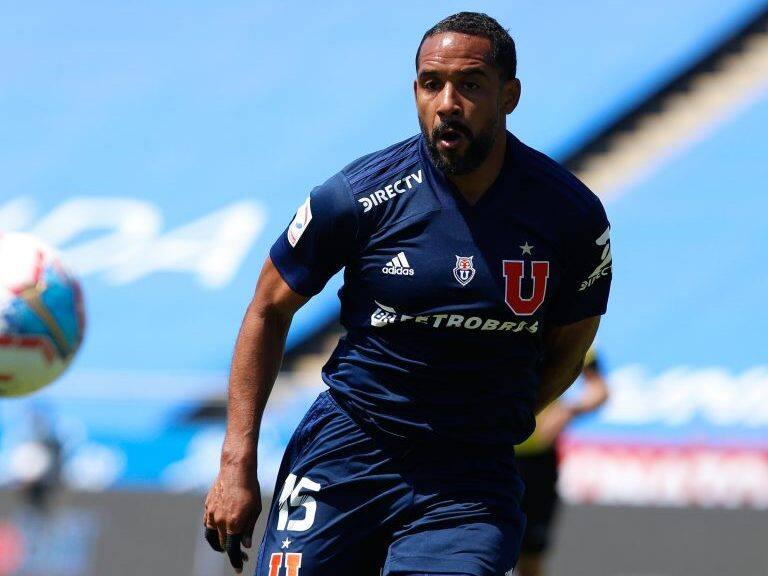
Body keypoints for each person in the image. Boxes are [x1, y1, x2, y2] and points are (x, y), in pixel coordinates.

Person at [203, 11, 612, 576]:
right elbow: (268, 306)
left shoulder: (570, 217)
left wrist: (495, 420)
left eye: (470, 84)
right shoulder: (357, 196)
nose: (447, 102)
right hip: (346, 452)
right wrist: (235, 461)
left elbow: (571, 345)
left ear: (509, 95)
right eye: (431, 83)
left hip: (469, 481)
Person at [514, 348, 609, 576]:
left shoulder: (565, 325)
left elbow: (599, 390)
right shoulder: (489, 320)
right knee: (480, 549)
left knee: (531, 559)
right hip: (486, 453)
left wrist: (569, 409)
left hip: (537, 461)